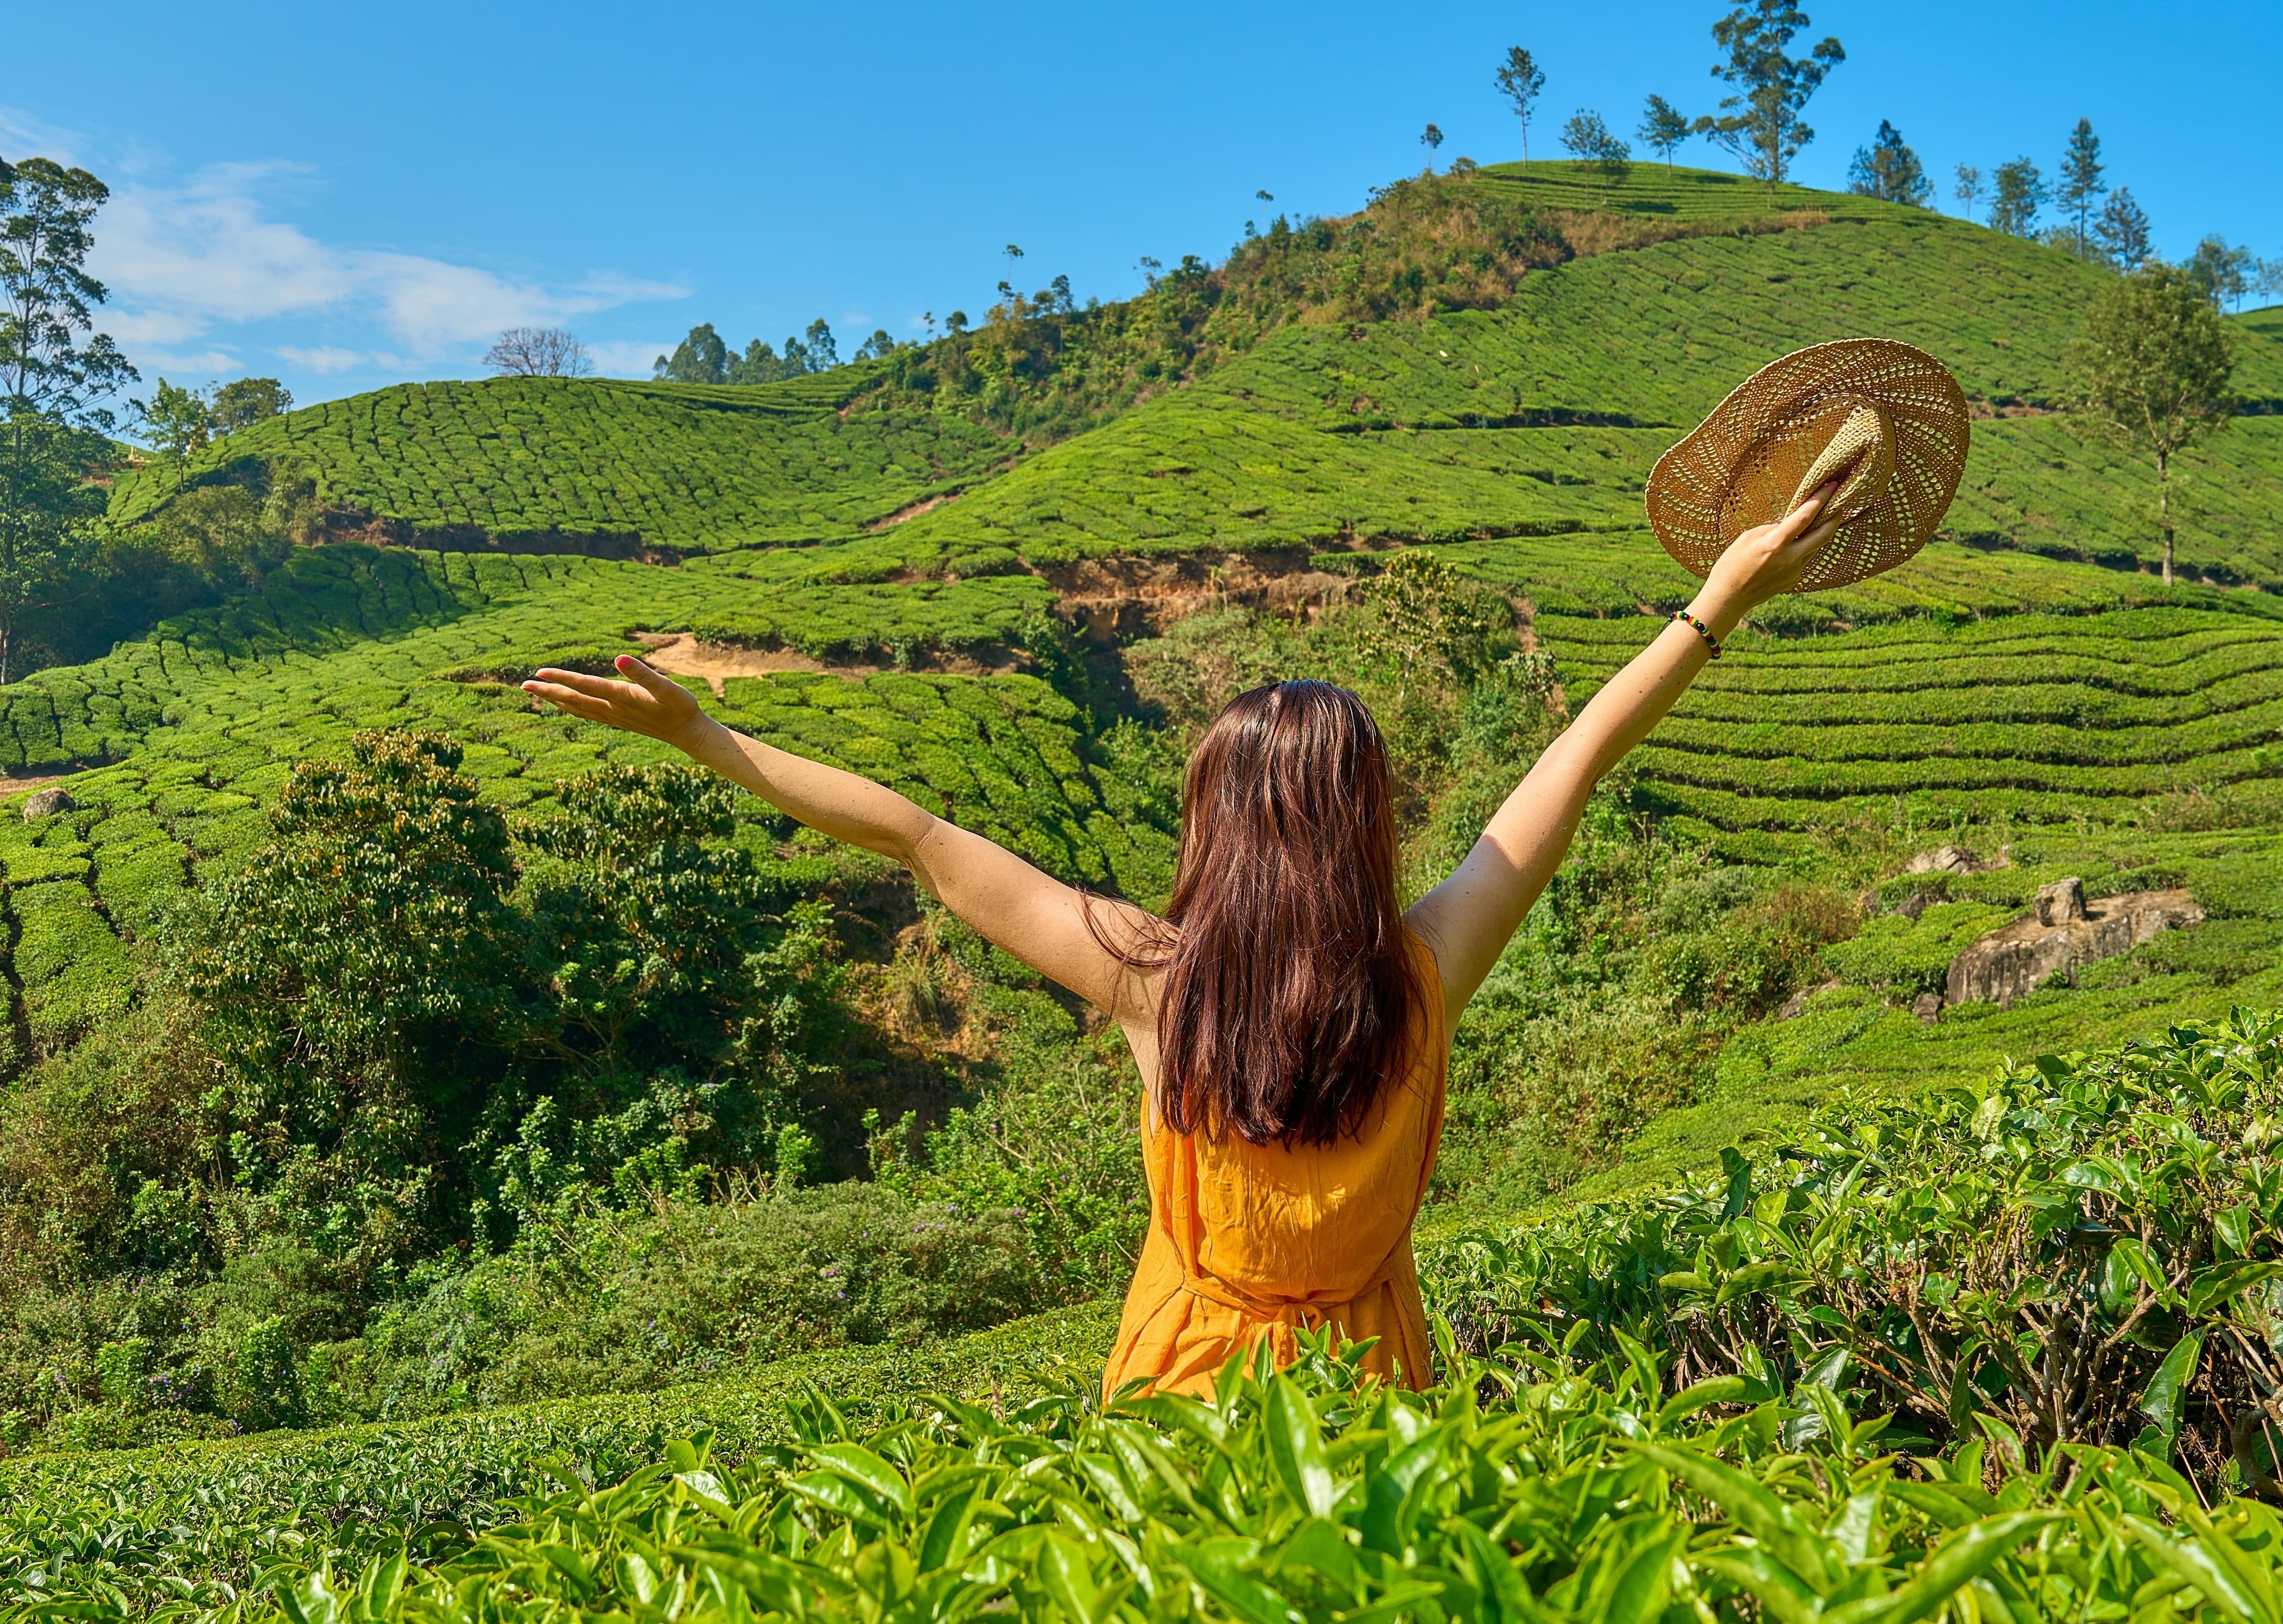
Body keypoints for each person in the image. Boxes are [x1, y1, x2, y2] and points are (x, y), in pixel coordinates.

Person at [521, 485, 1847, 1401]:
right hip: (1369, 1407)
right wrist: (1715, 600)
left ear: (1217, 824)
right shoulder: (1426, 969)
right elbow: (1579, 758)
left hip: (1178, 1398)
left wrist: (707, 736)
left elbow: (919, 835)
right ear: (1365, 826)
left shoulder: (1156, 981)